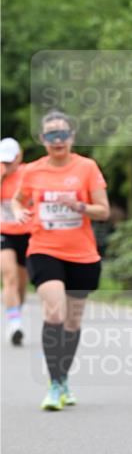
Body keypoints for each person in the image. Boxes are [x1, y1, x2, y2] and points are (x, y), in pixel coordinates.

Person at [11, 111, 109, 410]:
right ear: (43, 139)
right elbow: (17, 199)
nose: (58, 140)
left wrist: (79, 206)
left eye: (63, 134)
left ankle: (63, 378)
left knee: (73, 320)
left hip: (83, 254)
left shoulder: (87, 167)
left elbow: (103, 210)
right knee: (54, 311)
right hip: (44, 249)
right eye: (51, 135)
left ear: (72, 136)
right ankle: (54, 385)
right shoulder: (32, 171)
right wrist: (18, 211)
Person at [1, 138, 31, 345]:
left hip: (27, 233)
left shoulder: (29, 174)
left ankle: (16, 312)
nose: (7, 165)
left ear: (19, 157)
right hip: (4, 233)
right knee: (9, 276)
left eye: (10, 161)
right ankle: (15, 325)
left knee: (21, 281)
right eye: (3, 161)